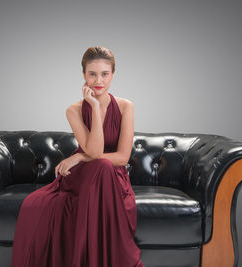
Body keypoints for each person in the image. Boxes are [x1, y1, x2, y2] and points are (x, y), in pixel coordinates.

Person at [10, 46, 145, 267]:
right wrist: (94, 107)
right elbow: (94, 150)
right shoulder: (74, 110)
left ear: (113, 75)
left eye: (104, 74)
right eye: (92, 74)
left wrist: (79, 158)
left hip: (111, 177)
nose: (98, 80)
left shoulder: (125, 106)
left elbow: (122, 157)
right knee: (96, 166)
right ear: (84, 75)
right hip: (83, 178)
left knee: (103, 166)